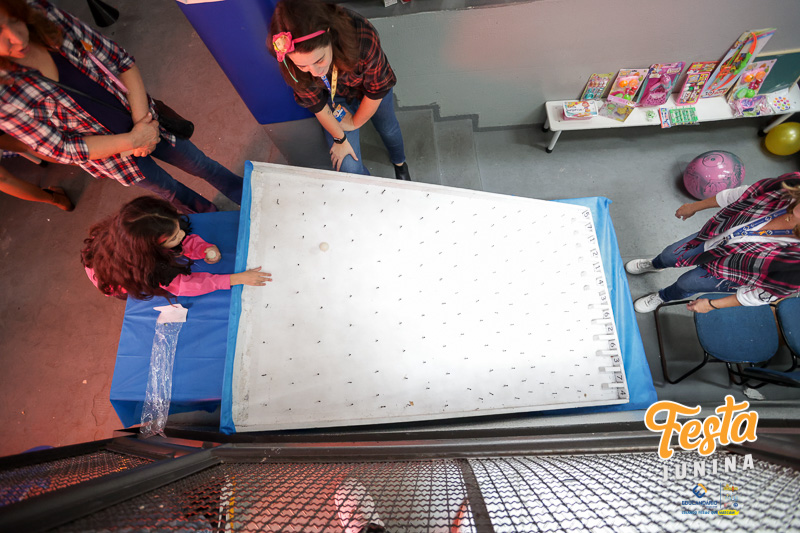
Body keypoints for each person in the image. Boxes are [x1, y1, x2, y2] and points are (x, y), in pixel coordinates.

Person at [0, 0, 242, 214]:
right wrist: (135, 140)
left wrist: (143, 125)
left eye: (14, 19)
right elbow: (62, 148)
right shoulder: (4, 95)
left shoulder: (41, 14)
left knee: (201, 164)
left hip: (148, 121)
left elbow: (122, 61)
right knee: (171, 191)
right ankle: (219, 223)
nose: (18, 37)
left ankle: (251, 197)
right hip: (115, 158)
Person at [268, 0, 411, 180]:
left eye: (319, 60)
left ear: (329, 33)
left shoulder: (361, 38)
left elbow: (377, 89)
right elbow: (317, 104)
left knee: (388, 128)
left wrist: (354, 123)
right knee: (348, 167)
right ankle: (368, 186)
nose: (315, 72)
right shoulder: (290, 63)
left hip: (370, 89)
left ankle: (400, 163)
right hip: (335, 98)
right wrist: (340, 138)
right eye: (302, 66)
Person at [626, 173, 800, 314]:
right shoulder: (793, 185)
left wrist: (711, 305)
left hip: (733, 270)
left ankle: (662, 297)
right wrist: (695, 206)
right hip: (716, 237)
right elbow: (743, 194)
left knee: (687, 284)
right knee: (669, 255)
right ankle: (656, 264)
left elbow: (764, 294)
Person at [81, 196, 271, 300]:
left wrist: (202, 249)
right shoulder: (148, 268)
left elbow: (180, 240)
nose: (181, 235)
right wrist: (237, 278)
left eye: (177, 228)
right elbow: (186, 285)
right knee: (134, 286)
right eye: (173, 237)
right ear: (152, 249)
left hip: (108, 250)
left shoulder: (138, 229)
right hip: (111, 277)